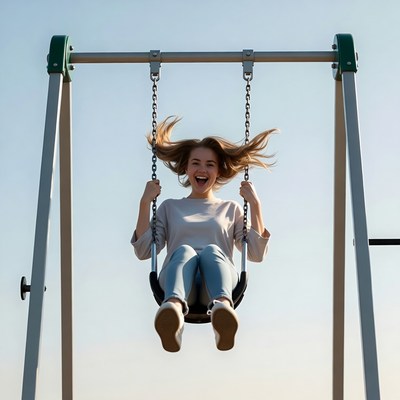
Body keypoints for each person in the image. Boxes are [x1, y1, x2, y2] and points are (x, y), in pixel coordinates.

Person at [131, 116, 276, 352]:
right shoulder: (169, 207)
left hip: (217, 283)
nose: (202, 169)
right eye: (196, 163)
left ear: (218, 171)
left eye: (210, 164)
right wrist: (145, 202)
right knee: (185, 251)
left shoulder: (231, 209)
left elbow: (257, 254)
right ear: (186, 168)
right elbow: (144, 250)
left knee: (211, 251)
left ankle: (222, 312)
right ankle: (173, 313)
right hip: (177, 283)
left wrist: (256, 205)